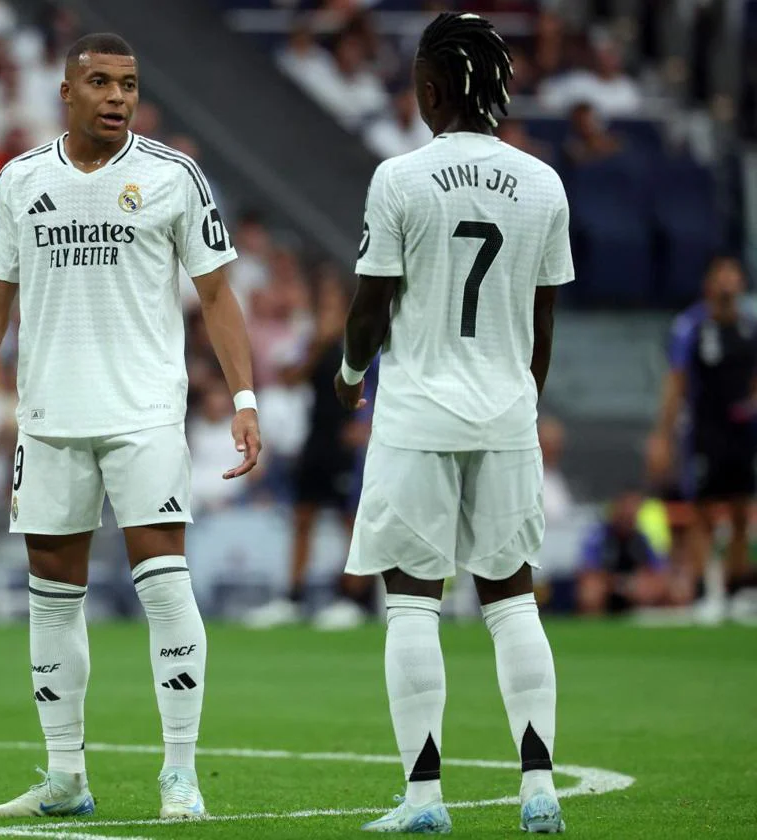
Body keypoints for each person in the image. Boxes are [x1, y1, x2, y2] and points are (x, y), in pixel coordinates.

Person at [0, 33, 260, 821]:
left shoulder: (173, 177)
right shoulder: (21, 180)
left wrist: (245, 402)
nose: (117, 96)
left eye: (129, 84)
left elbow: (216, 294)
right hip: (49, 418)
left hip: (143, 411)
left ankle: (180, 773)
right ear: (66, 92)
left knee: (163, 584)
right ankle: (66, 775)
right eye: (101, 82)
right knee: (52, 597)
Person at [333, 13, 573, 833]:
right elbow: (542, 333)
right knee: (513, 604)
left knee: (411, 605)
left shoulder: (399, 179)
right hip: (506, 414)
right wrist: (519, 406)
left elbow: (370, 310)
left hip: (417, 417)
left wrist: (348, 372)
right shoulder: (545, 185)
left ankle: (425, 798)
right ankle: (539, 787)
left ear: (430, 89)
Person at [244, 269, 374, 631]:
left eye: (334, 296)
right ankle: (294, 597)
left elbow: (379, 379)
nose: (328, 303)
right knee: (303, 516)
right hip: (316, 435)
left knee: (351, 521)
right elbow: (290, 379)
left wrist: (367, 426)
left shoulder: (363, 333)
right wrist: (319, 341)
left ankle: (354, 599)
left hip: (346, 437)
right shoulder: (314, 337)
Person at [648, 256, 757, 617]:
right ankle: (704, 591)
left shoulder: (749, 326)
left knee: (742, 509)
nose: (728, 281)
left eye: (733, 274)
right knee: (702, 511)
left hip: (743, 430)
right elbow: (675, 382)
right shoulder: (690, 326)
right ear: (709, 283)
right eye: (721, 274)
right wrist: (663, 437)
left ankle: (738, 588)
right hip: (703, 430)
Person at [577, 491, 675, 615]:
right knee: (591, 591)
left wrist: (639, 581)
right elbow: (588, 570)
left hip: (633, 586)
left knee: (657, 588)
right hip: (607, 585)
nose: (627, 517)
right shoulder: (600, 536)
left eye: (631, 513)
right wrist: (615, 582)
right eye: (625, 512)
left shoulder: (642, 539)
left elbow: (658, 569)